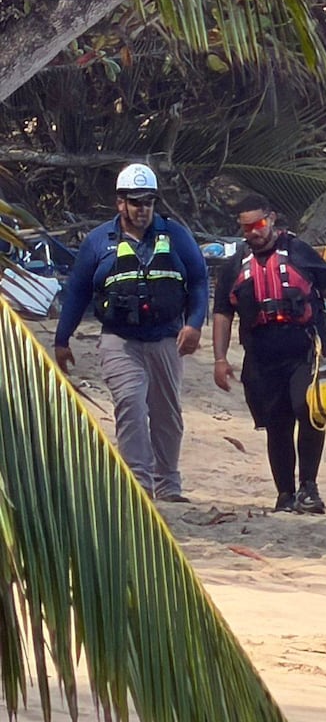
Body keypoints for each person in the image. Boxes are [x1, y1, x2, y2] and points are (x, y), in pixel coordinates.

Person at [55, 163, 209, 501]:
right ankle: (138, 485)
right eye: (136, 202)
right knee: (131, 405)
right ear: (120, 203)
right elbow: (78, 292)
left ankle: (168, 483)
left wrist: (194, 324)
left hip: (166, 337)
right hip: (119, 340)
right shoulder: (99, 242)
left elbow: (199, 281)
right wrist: (62, 339)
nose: (143, 210)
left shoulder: (176, 236)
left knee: (167, 413)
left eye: (149, 202)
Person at [211, 193, 326, 514]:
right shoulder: (234, 266)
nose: (253, 232)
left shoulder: (299, 251)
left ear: (271, 218)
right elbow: (223, 313)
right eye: (246, 228)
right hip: (261, 356)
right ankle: (285, 494)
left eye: (258, 224)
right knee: (277, 424)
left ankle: (308, 488)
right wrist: (220, 359)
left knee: (309, 410)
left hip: (305, 349)